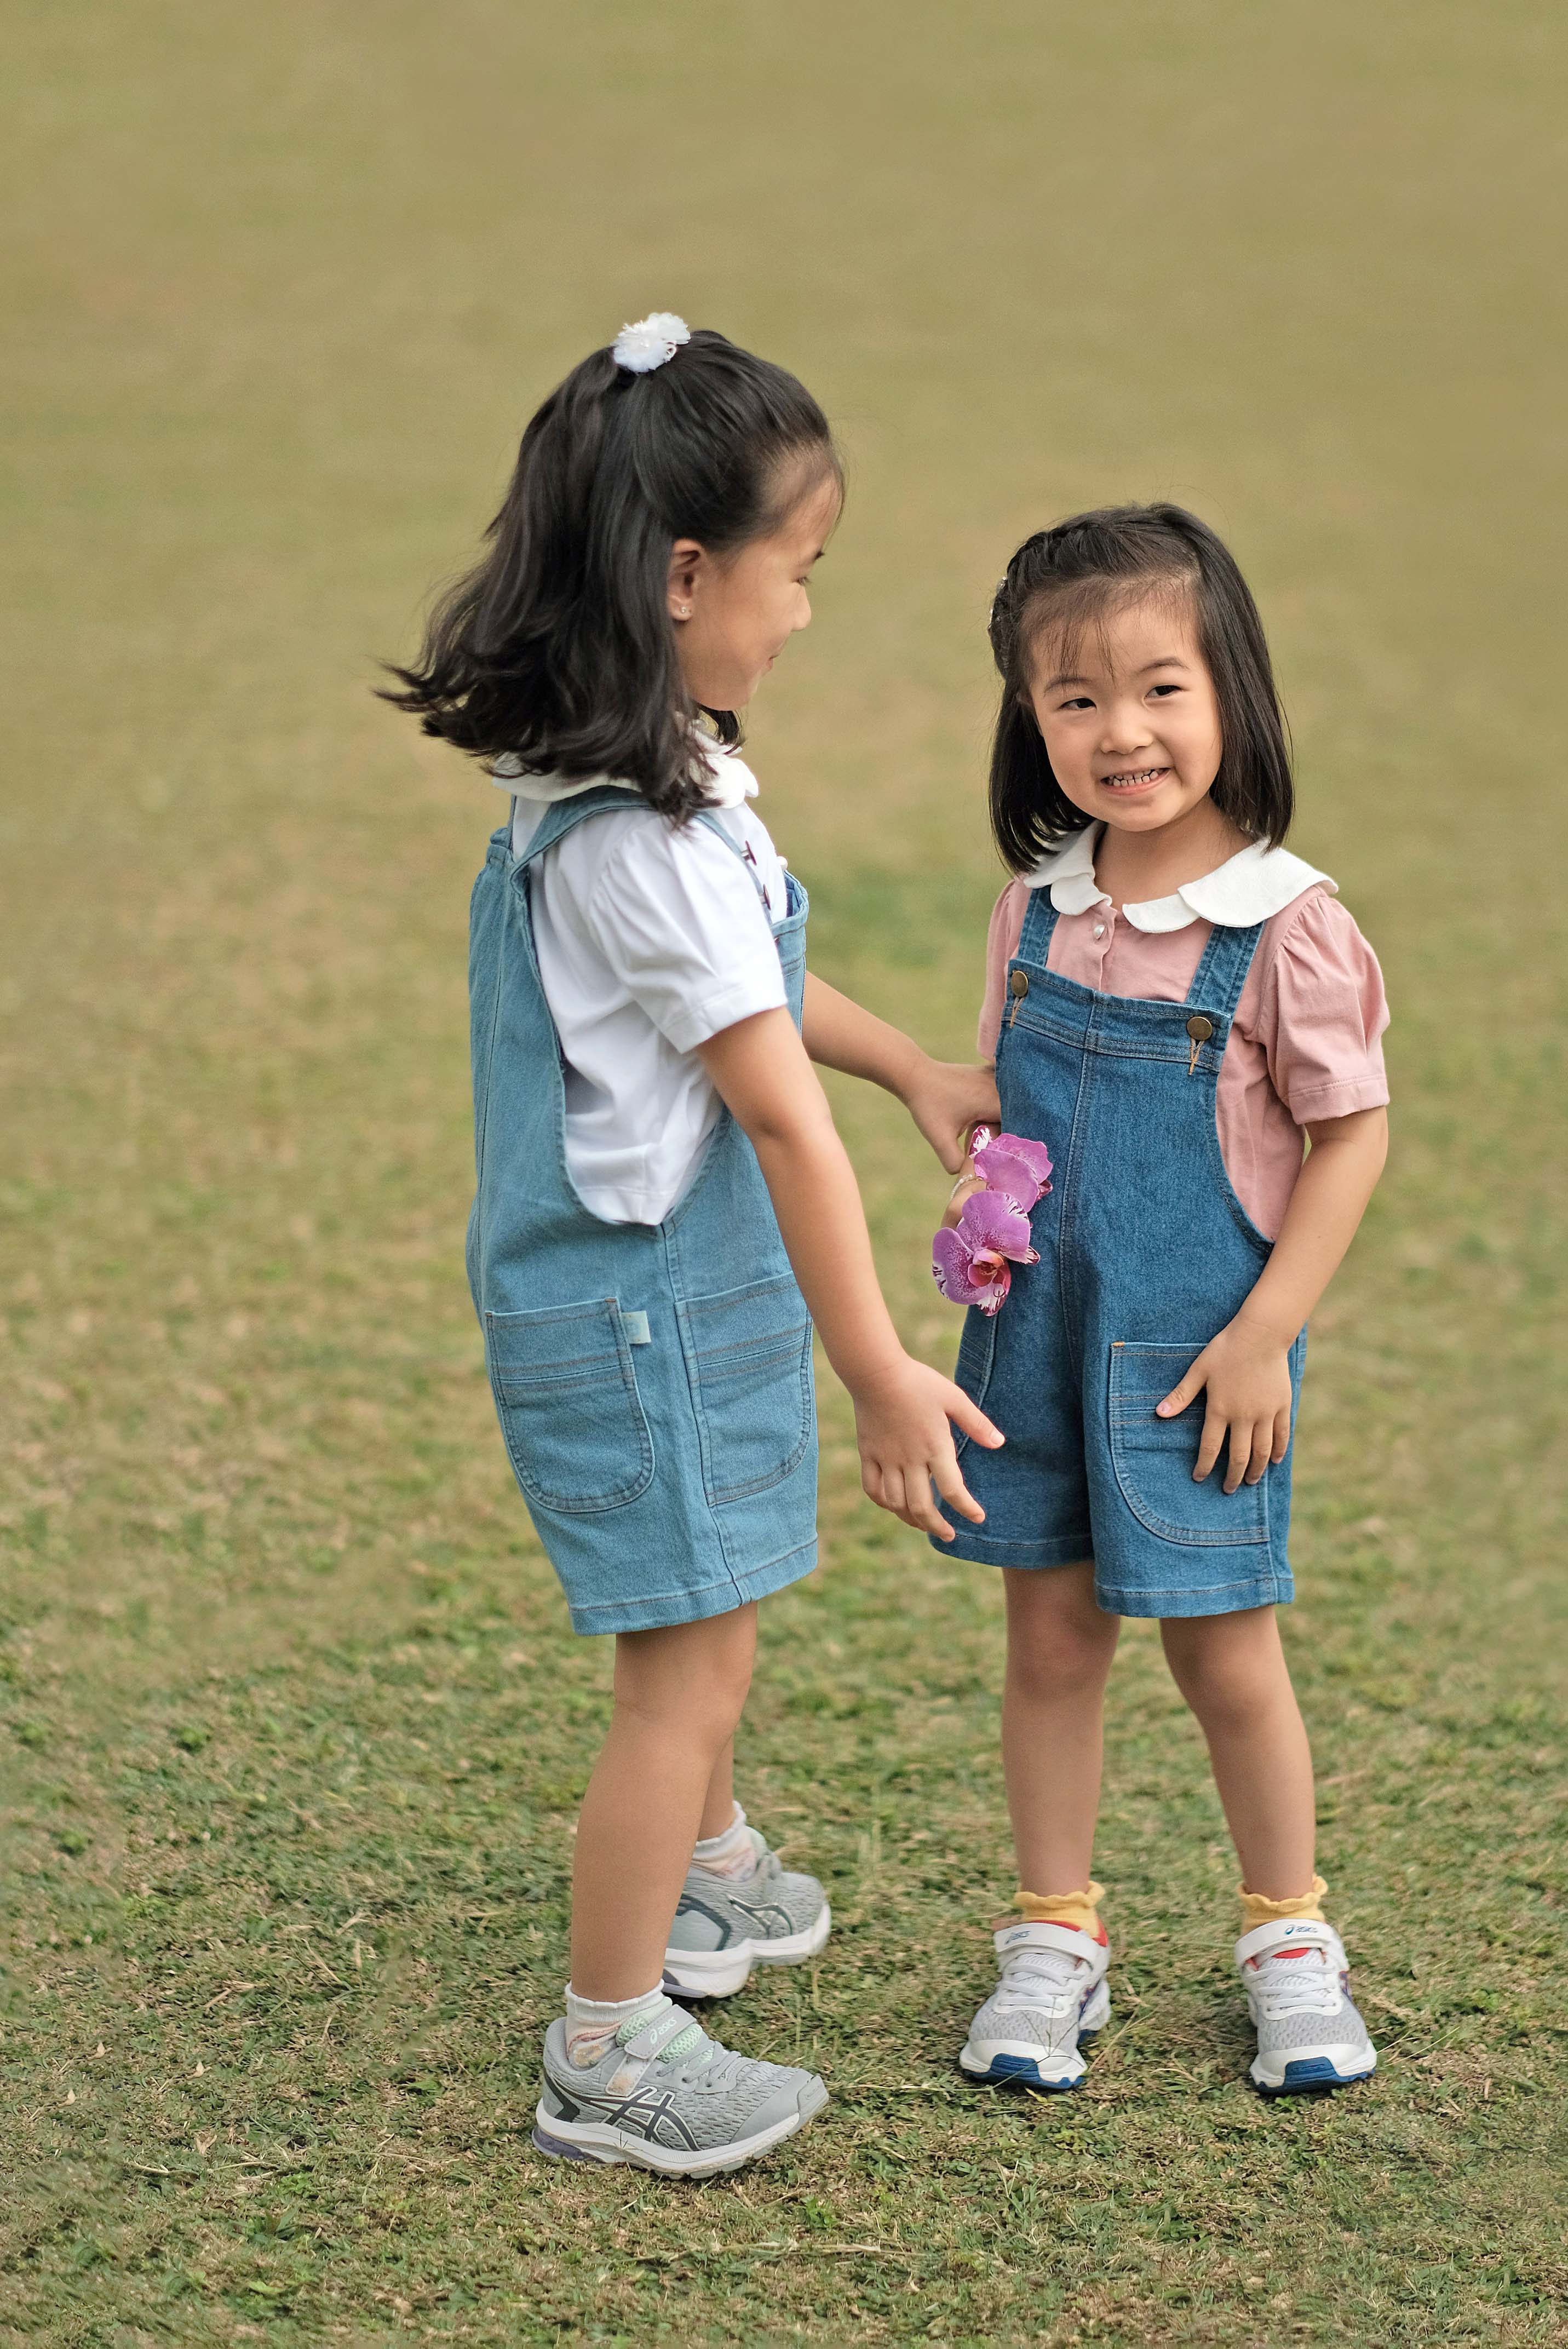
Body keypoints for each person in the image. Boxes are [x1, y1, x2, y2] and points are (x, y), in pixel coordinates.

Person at [384, 312, 1001, 2174]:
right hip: (641, 1304)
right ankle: (609, 2045)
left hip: (672, 1282)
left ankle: (712, 1878)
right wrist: (884, 1362)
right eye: (797, 571)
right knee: (690, 1664)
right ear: (679, 575)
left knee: (703, 1607)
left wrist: (906, 1061)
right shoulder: (636, 836)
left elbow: (766, 1002)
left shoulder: (660, 780)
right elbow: (768, 1112)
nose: (806, 610)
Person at [937, 504, 1391, 2097]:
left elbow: (1351, 1136)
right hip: (1037, 1342)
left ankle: (1288, 1936)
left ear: (1231, 693)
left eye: (1158, 688)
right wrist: (979, 1154)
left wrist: (1268, 1327)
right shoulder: (1037, 909)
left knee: (1224, 1652)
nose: (1119, 732)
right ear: (1029, 720)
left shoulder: (1287, 925)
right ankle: (1056, 1931)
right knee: (1051, 1640)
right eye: (1072, 697)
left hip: (1207, 1358)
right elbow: (1025, 1101)